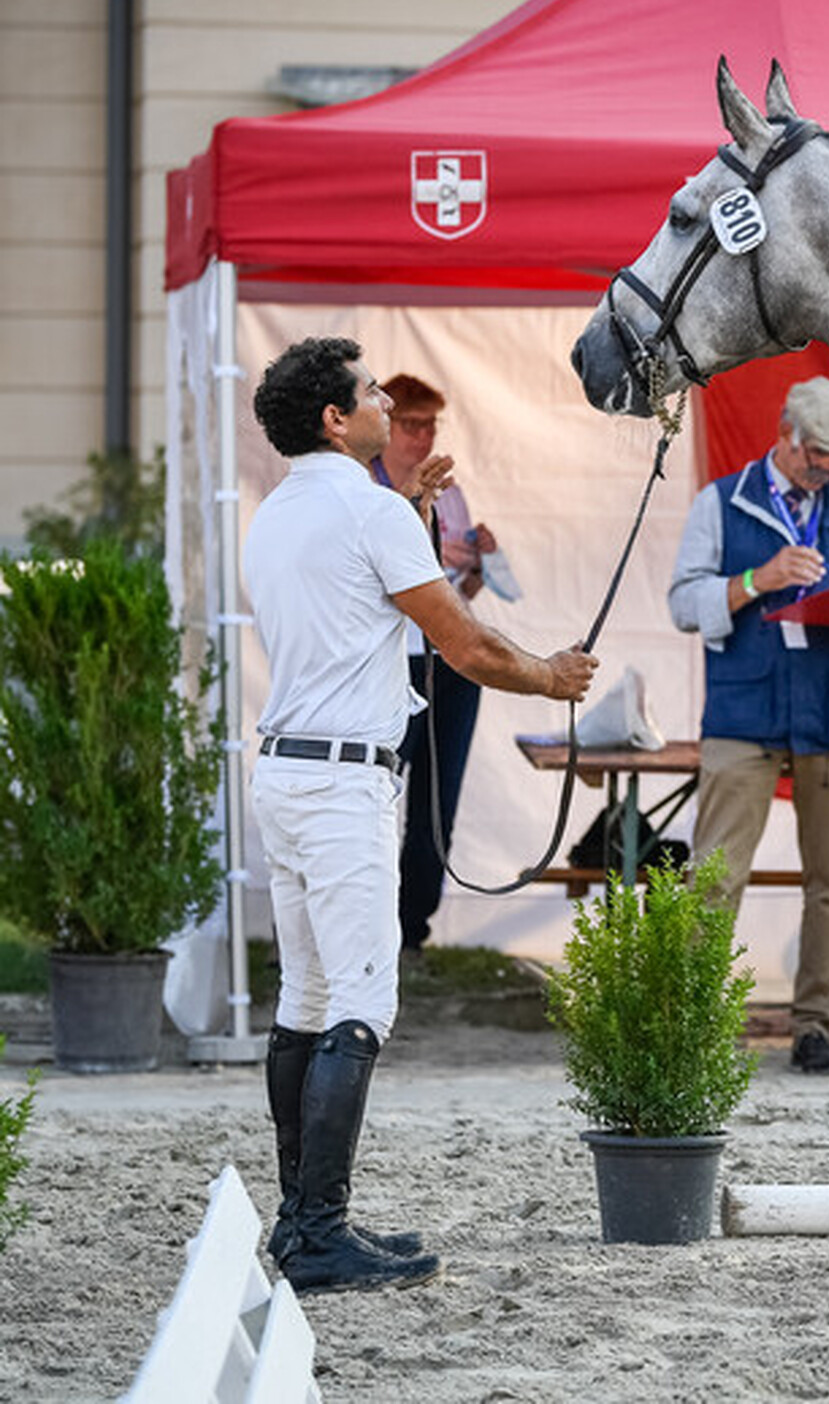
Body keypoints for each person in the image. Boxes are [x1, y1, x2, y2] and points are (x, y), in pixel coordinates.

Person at [245, 336, 597, 1294]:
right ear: (335, 419)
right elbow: (469, 648)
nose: (379, 406)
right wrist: (552, 678)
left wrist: (403, 512)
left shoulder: (280, 513)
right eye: (367, 395)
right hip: (343, 782)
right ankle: (318, 1231)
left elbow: (356, 598)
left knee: (305, 1002)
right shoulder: (370, 511)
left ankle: (301, 1220)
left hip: (285, 772)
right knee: (360, 1004)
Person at [669, 376, 829, 1076]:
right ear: (787, 438)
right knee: (715, 877)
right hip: (744, 708)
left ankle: (817, 1028)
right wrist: (758, 579)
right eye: (826, 456)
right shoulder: (719, 502)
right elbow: (684, 604)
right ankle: (693, 1025)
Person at [371, 373, 518, 953]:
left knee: (438, 801)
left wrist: (477, 566)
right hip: (392, 663)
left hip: (449, 659)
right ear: (385, 428)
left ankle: (413, 930)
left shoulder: (447, 489)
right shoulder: (367, 486)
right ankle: (370, 926)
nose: (423, 436)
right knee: (376, 797)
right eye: (411, 425)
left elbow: (457, 599)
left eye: (431, 425)